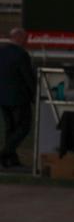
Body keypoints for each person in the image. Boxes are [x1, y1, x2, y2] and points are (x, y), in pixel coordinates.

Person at [0, 27, 35, 169]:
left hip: (3, 98)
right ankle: (4, 154)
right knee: (23, 127)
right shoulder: (21, 54)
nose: (26, 42)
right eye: (25, 39)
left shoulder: (2, 52)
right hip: (18, 98)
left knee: (11, 128)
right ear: (19, 37)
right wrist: (34, 94)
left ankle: (10, 160)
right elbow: (27, 77)